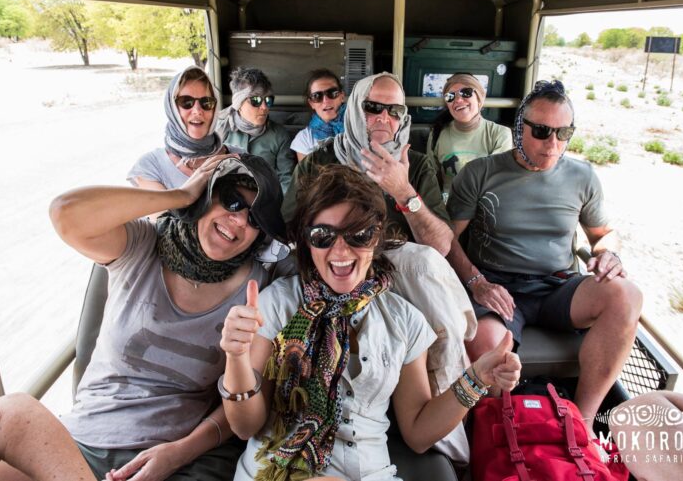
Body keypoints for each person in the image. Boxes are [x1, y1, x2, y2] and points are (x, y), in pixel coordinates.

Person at [0, 153, 286, 481]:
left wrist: (179, 452)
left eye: (255, 219)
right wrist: (180, 196)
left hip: (178, 455)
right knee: (2, 421)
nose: (239, 221)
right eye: (231, 201)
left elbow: (242, 408)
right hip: (83, 437)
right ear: (206, 196)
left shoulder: (259, 290)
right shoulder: (142, 245)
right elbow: (65, 213)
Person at [220, 165, 521, 481]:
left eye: (358, 235)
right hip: (276, 471)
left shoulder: (405, 320)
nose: (340, 250)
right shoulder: (277, 304)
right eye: (323, 236)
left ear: (376, 236)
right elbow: (245, 426)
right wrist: (236, 358)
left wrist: (477, 377)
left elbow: (418, 434)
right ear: (307, 242)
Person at [446, 80, 643, 434]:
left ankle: (582, 424)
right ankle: (497, 431)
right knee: (489, 347)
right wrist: (477, 282)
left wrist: (608, 253)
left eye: (564, 133)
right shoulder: (479, 174)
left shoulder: (582, 176)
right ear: (519, 128)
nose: (553, 143)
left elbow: (603, 234)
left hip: (557, 287)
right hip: (497, 288)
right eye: (541, 131)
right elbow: (449, 240)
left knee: (627, 295)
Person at [282, 72, 453, 256]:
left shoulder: (418, 166)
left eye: (395, 110)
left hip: (401, 268)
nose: (384, 118)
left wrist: (404, 193)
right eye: (372, 107)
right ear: (354, 109)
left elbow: (441, 247)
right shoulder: (316, 163)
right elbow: (288, 232)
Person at [128, 65, 234, 191]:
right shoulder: (151, 166)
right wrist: (199, 180)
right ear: (172, 109)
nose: (197, 111)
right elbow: (162, 205)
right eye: (186, 102)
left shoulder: (237, 156)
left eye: (206, 102)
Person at [426, 73, 512, 199]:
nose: (458, 100)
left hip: (484, 206)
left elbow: (496, 183)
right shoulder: (437, 134)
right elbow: (431, 181)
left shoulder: (500, 134)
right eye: (450, 96)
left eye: (466, 93)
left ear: (480, 98)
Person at [214, 67, 296, 193]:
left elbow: (286, 179)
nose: (264, 107)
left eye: (268, 100)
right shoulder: (218, 131)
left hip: (267, 199)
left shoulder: (279, 135)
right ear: (239, 103)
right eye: (255, 100)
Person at [290, 68, 347, 161]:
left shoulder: (361, 127)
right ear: (311, 103)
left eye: (332, 93)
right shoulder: (304, 139)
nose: (326, 101)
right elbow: (306, 170)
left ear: (342, 96)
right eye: (317, 96)